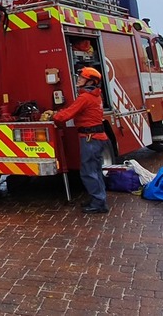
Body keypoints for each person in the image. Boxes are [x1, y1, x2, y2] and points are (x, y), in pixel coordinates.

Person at [47, 66, 108, 214]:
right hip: (96, 138)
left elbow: (67, 114)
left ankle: (98, 203)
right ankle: (98, 199)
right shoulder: (95, 96)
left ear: (90, 82)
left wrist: (53, 115)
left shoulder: (85, 98)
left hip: (90, 139)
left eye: (82, 78)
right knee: (95, 170)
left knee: (88, 171)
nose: (79, 79)